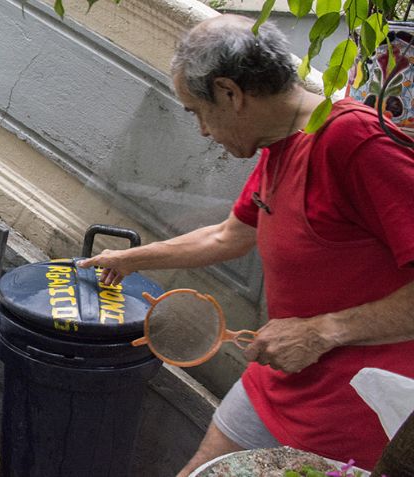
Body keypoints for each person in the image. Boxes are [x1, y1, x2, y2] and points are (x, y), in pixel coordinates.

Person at [78, 13, 414, 475]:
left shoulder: (352, 141)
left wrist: (321, 331)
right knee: (201, 467)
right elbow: (229, 234)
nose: (201, 130)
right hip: (279, 374)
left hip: (353, 400)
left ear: (230, 93)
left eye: (196, 111)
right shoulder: (280, 143)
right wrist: (130, 258)